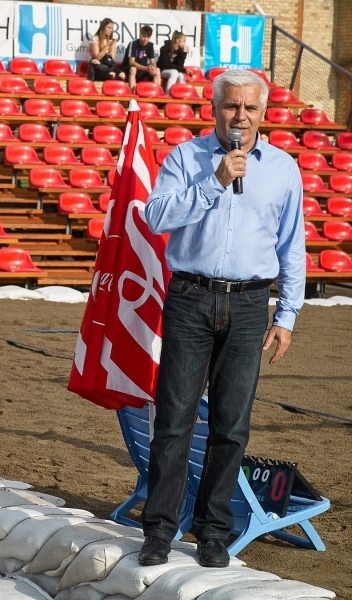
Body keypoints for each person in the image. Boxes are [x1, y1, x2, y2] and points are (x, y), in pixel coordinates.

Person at [140, 70, 305, 568]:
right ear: (215, 109)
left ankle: (213, 532)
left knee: (231, 425)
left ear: (263, 111)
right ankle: (159, 530)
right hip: (191, 297)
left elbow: (291, 245)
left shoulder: (282, 168)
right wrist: (214, 182)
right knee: (174, 420)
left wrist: (289, 313)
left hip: (252, 304)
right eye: (232, 107)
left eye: (250, 108)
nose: (241, 117)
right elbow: (155, 216)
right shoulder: (185, 158)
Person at [124, 25, 161, 91]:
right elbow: (131, 62)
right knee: (133, 69)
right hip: (129, 69)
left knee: (157, 70)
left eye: (148, 37)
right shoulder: (133, 43)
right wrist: (146, 68)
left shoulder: (150, 45)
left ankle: (157, 94)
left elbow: (152, 60)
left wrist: (153, 67)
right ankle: (132, 96)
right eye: (144, 36)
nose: (145, 39)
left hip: (143, 70)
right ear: (140, 35)